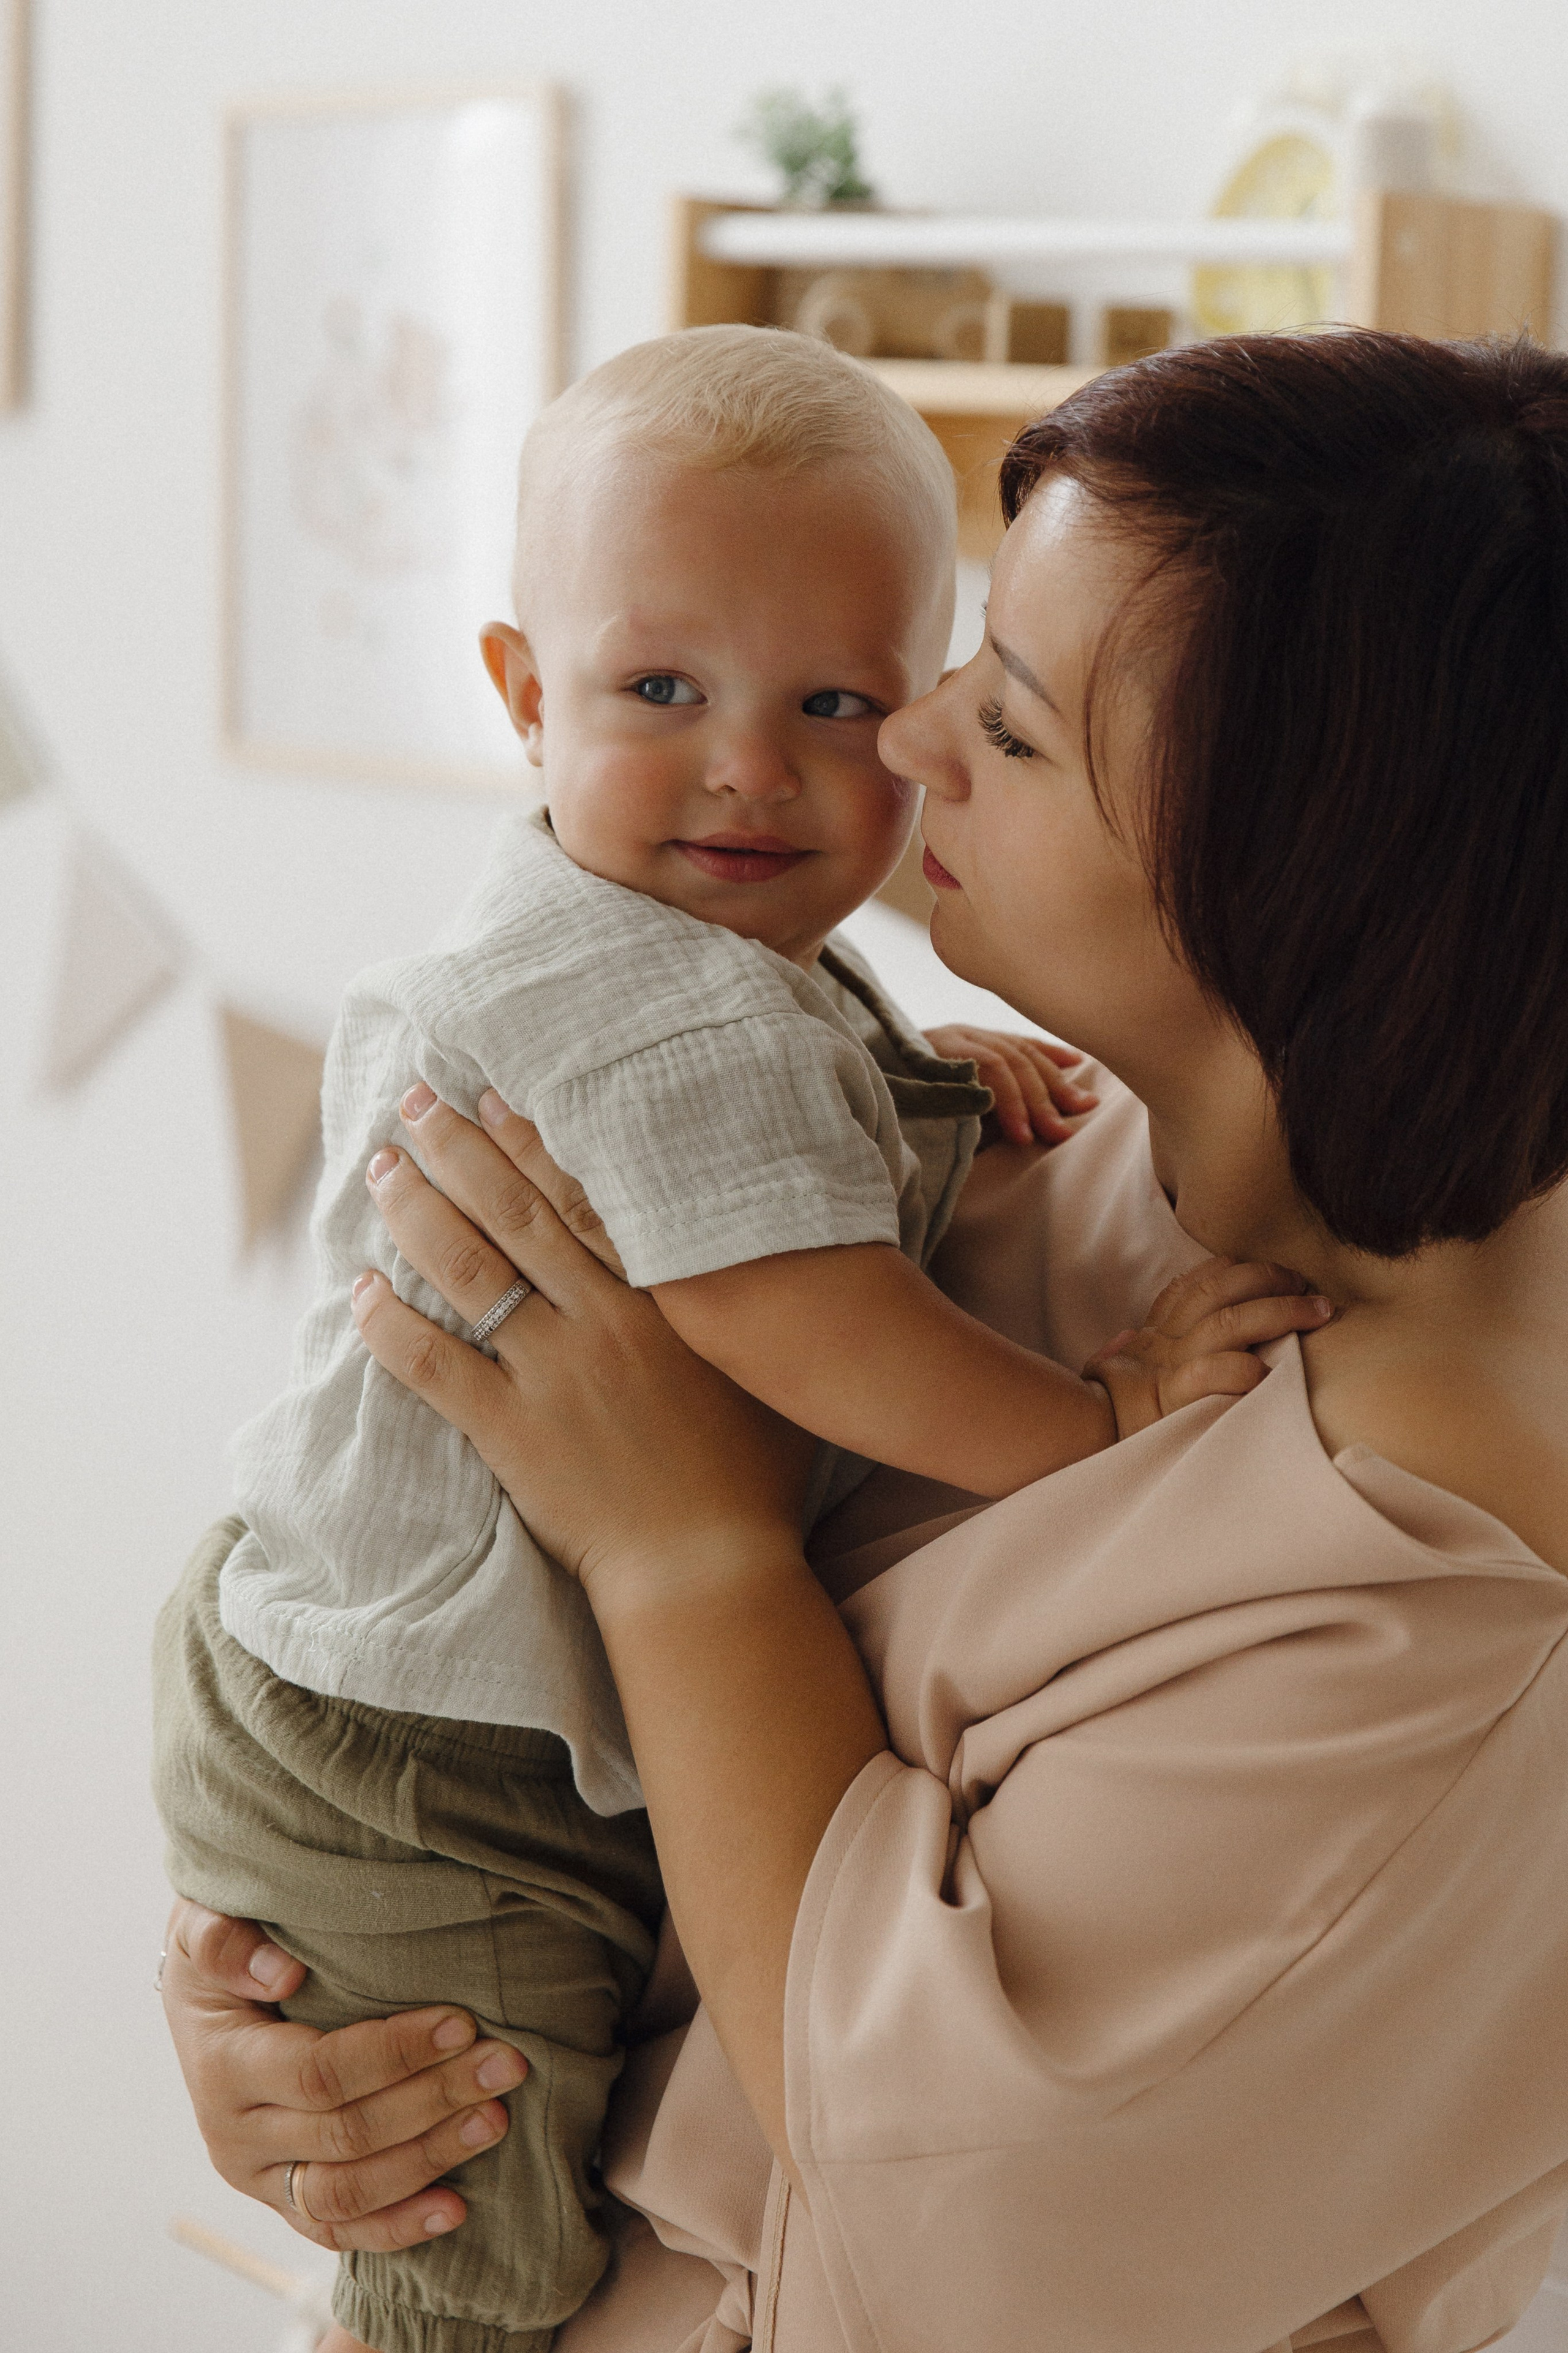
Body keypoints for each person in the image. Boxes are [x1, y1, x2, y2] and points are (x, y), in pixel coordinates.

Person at [160, 328, 1568, 2353]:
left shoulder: (1437, 1612)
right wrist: (290, 2002)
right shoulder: (1077, 1158)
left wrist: (685, 1550)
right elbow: (395, 1522)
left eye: (1006, 718)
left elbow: (924, 2245)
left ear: (1284, 869)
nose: (901, 746)